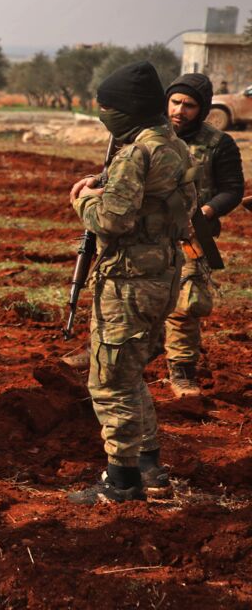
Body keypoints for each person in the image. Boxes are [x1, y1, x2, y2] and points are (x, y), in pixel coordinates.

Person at [66, 61, 196, 504]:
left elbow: (114, 218)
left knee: (109, 382)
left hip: (129, 280)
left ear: (126, 111)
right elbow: (158, 196)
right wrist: (106, 181)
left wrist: (84, 201)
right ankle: (148, 464)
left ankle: (121, 484)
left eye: (107, 108)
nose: (104, 115)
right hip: (162, 273)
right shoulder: (173, 145)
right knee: (131, 372)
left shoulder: (136, 153)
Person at [160, 74, 244, 396]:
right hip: (147, 237)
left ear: (204, 109)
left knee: (186, 306)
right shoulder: (148, 137)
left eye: (190, 105)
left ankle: (181, 375)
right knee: (132, 299)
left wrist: (206, 213)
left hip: (193, 239)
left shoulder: (219, 144)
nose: (180, 110)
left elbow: (232, 190)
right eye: (175, 102)